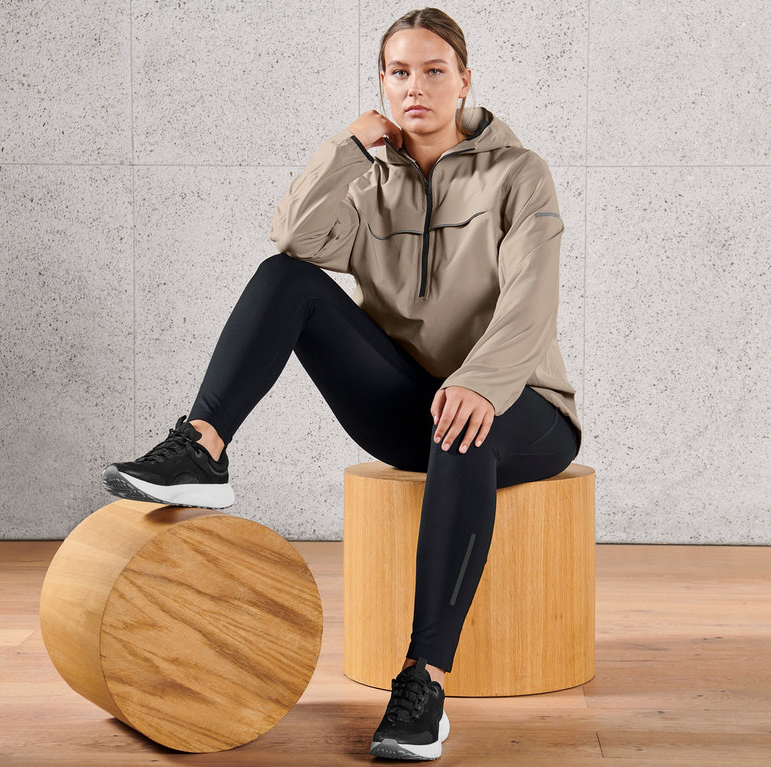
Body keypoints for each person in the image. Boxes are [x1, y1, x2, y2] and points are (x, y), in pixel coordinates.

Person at [102, 6, 582, 762]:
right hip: (411, 404)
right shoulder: (369, 180)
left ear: (464, 80)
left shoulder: (518, 173)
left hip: (523, 407)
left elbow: (532, 299)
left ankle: (423, 683)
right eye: (399, 72)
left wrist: (482, 384)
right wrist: (349, 148)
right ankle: (203, 446)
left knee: (465, 429)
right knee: (284, 279)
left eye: (433, 71)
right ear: (382, 83)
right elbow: (295, 240)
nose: (416, 87)